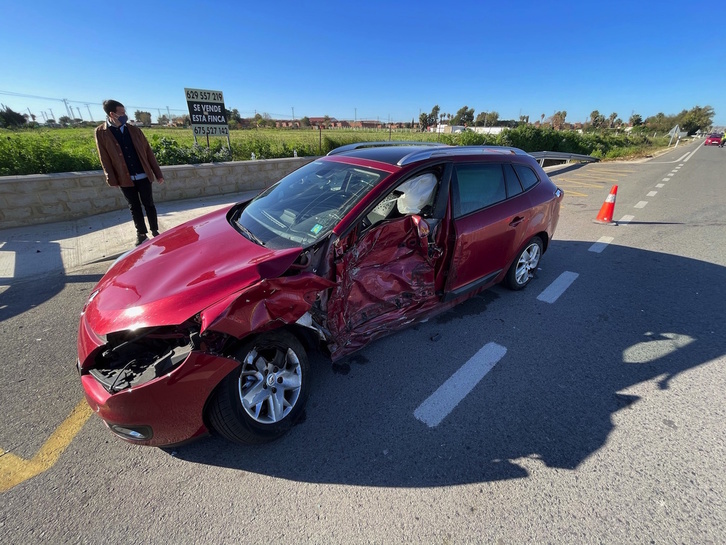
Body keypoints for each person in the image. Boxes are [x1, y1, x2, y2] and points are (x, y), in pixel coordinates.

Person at [95, 99, 165, 245]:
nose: (124, 115)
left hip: (143, 175)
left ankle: (154, 230)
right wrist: (111, 178)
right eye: (121, 112)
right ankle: (141, 233)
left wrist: (157, 173)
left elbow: (148, 152)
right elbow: (104, 157)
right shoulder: (101, 133)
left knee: (149, 204)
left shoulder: (134, 130)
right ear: (112, 114)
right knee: (134, 206)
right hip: (124, 178)